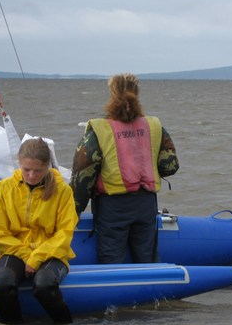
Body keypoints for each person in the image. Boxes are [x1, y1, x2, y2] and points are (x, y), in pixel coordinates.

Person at [70, 73, 179, 264]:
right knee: (147, 259)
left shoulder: (99, 129)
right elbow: (170, 166)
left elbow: (82, 179)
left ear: (111, 94)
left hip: (113, 208)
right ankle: (153, 292)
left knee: (111, 261)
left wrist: (72, 214)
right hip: (145, 204)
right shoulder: (154, 126)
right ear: (137, 93)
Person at [0, 137, 77, 324]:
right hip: (14, 250)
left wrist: (37, 257)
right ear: (19, 164)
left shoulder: (63, 190)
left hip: (52, 253)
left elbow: (65, 232)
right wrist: (26, 254)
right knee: (3, 285)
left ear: (48, 166)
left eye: (38, 170)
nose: (31, 175)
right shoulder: (3, 188)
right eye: (26, 170)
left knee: (44, 286)